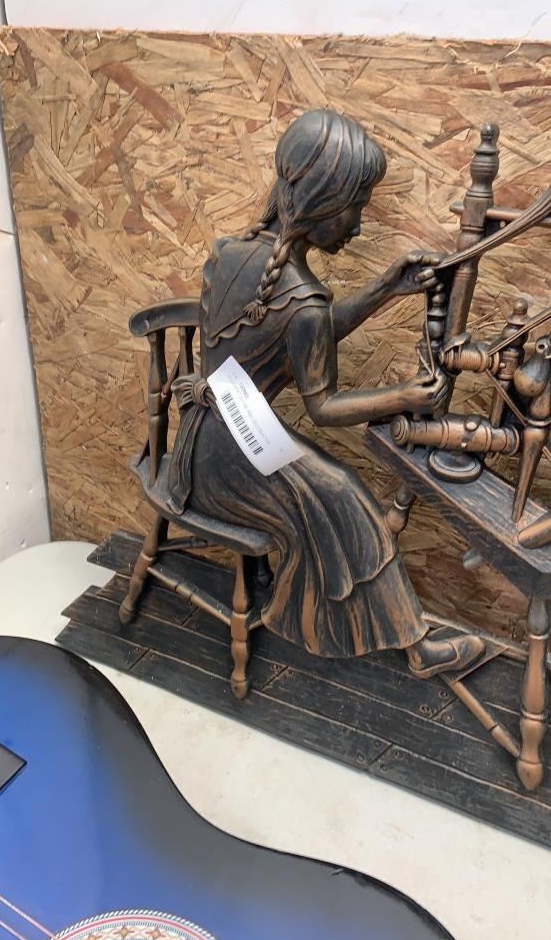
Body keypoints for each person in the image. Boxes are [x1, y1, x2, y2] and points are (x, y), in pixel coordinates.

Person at [167, 109, 483, 678]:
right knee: (344, 494)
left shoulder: (229, 251)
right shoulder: (304, 298)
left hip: (198, 441)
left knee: (335, 490)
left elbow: (301, 335)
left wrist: (384, 288)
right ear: (321, 200)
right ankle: (416, 647)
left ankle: (392, 633)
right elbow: (324, 407)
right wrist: (405, 397)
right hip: (233, 461)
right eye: (356, 206)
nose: (358, 225)